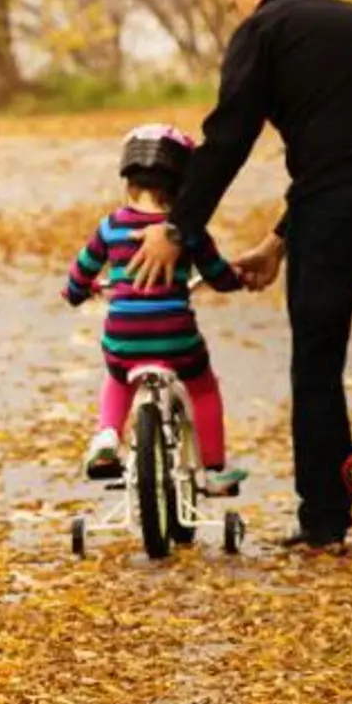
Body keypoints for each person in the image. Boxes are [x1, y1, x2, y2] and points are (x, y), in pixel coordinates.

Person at [128, 0, 352, 550]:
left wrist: (178, 227)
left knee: (318, 358)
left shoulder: (265, 29)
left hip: (329, 210)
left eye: (235, 0)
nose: (238, 11)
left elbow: (229, 138)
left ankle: (323, 519)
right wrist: (277, 241)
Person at [65, 126, 248, 493]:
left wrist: (77, 291)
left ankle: (106, 436)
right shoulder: (186, 231)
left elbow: (82, 270)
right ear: (182, 184)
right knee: (203, 387)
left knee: (119, 376)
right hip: (176, 337)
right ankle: (214, 469)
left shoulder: (111, 227)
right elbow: (217, 273)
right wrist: (236, 279)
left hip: (124, 336)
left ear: (129, 181)